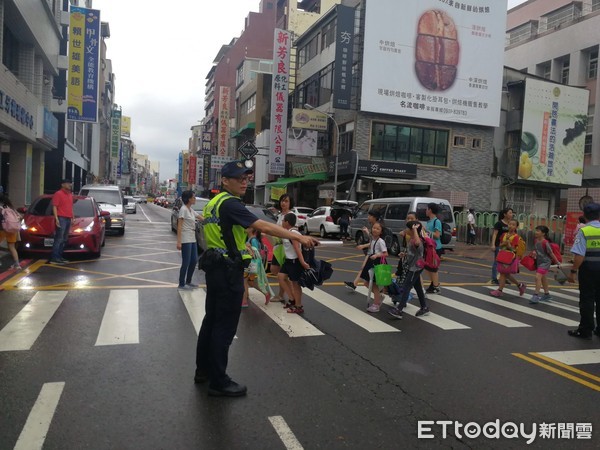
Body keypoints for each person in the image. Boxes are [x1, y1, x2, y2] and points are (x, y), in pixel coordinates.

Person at [195, 161, 318, 397]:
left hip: (215, 268)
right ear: (225, 180)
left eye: (246, 178)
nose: (244, 181)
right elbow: (262, 226)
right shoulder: (230, 203)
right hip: (227, 272)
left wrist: (243, 248)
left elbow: (226, 233)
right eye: (239, 178)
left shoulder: (214, 203)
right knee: (224, 328)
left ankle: (203, 371)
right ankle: (219, 381)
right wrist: (299, 238)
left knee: (210, 322)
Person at [566, 202, 600, 340]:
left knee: (587, 299)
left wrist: (573, 271)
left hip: (589, 270)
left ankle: (585, 330)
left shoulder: (584, 231)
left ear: (584, 216)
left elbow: (579, 255)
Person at [388, 221, 429, 319]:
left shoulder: (417, 239)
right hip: (413, 266)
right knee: (418, 287)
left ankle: (399, 310)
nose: (405, 230)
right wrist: (405, 255)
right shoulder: (411, 239)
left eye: (407, 228)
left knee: (407, 286)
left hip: (416, 267)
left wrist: (415, 229)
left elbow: (418, 244)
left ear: (412, 230)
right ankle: (424, 307)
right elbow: (415, 253)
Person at [351, 221, 388, 313]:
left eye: (377, 229)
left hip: (377, 262)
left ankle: (376, 305)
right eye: (374, 228)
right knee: (366, 283)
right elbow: (371, 241)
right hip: (371, 261)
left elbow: (385, 253)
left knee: (374, 285)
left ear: (381, 232)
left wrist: (376, 255)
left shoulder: (381, 241)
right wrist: (366, 232)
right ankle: (379, 297)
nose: (375, 230)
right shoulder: (373, 239)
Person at [278, 213, 310, 314]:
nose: (282, 223)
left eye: (283, 221)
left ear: (287, 222)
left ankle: (298, 306)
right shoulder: (287, 232)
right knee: (281, 277)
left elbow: (297, 249)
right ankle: (292, 299)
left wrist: (302, 262)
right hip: (288, 261)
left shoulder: (293, 234)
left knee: (295, 284)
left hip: (294, 262)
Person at [344, 210, 382, 290]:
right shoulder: (374, 225)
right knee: (364, 268)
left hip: (376, 253)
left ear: (374, 217)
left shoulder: (377, 226)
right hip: (372, 252)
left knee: (373, 273)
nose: (368, 217)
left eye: (369, 216)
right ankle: (355, 283)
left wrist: (363, 244)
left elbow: (375, 241)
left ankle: (383, 291)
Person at [489, 219, 526, 298]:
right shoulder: (504, 235)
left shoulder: (516, 237)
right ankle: (520, 285)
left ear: (516, 227)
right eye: (509, 224)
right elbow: (500, 245)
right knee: (506, 274)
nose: (511, 226)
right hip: (503, 256)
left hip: (510, 258)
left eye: (513, 225)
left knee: (503, 273)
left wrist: (509, 245)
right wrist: (504, 244)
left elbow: (514, 249)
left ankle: (500, 290)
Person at [270, 193, 295, 303]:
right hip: (279, 247)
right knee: (275, 270)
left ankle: (283, 295)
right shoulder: (280, 215)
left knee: (281, 273)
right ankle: (285, 293)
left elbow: (293, 231)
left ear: (290, 203)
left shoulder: (291, 215)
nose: (283, 203)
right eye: (282, 201)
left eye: (286, 201)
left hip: (287, 248)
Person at [177, 190, 203, 290]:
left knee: (194, 260)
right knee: (186, 262)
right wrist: (179, 242)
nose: (195, 199)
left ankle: (188, 281)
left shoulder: (191, 210)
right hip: (185, 238)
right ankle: (181, 284)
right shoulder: (183, 209)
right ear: (189, 199)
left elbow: (201, 218)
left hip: (192, 237)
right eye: (194, 197)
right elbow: (179, 226)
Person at [529, 225, 561, 304]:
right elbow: (537, 250)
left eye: (538, 231)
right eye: (536, 230)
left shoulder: (545, 242)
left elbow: (551, 253)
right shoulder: (536, 240)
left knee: (537, 277)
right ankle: (547, 294)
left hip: (545, 262)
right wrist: (534, 253)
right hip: (539, 261)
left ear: (543, 233)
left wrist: (557, 262)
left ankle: (536, 295)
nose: (536, 232)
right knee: (543, 278)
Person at [243, 226, 273, 306]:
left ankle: (244, 301)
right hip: (253, 264)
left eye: (247, 228)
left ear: (252, 230)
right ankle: (266, 293)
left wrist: (248, 248)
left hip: (250, 263)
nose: (245, 229)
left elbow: (255, 252)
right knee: (250, 282)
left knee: (244, 281)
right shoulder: (253, 239)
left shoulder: (253, 240)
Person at [49, 178, 74, 265]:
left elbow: (70, 207)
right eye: (68, 183)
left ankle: (59, 256)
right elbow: (55, 206)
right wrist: (56, 218)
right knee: (59, 238)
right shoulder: (58, 194)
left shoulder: (70, 194)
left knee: (64, 239)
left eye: (70, 183)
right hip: (61, 218)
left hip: (68, 218)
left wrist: (72, 217)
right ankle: (54, 257)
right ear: (62, 185)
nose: (70, 185)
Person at [490, 207, 514, 284]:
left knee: (506, 262)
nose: (511, 214)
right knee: (497, 262)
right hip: (499, 245)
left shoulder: (511, 224)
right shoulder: (499, 223)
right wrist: (493, 244)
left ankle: (503, 277)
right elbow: (495, 234)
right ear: (505, 214)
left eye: (512, 213)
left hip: (508, 246)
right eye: (510, 213)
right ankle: (494, 278)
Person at [424, 202, 443, 294]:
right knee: (428, 267)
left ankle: (436, 286)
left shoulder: (437, 221)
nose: (425, 211)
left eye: (426, 209)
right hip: (429, 247)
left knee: (433, 268)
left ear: (430, 210)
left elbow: (437, 235)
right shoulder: (429, 221)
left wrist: (425, 231)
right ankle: (433, 285)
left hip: (436, 248)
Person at [0, 194, 22, 270]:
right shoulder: (11, 208)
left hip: (2, 229)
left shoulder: (1, 207)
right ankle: (17, 264)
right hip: (13, 229)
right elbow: (20, 217)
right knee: (12, 247)